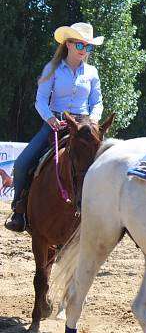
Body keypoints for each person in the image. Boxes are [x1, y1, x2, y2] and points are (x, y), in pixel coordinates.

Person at [4, 22, 104, 233]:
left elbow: (97, 102)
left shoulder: (92, 72)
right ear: (68, 44)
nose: (84, 51)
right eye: (80, 46)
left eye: (88, 47)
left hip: (84, 129)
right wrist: (49, 118)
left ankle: (106, 214)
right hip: (55, 125)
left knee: (104, 166)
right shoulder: (52, 68)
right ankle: (19, 211)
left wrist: (93, 120)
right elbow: (40, 99)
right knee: (22, 163)